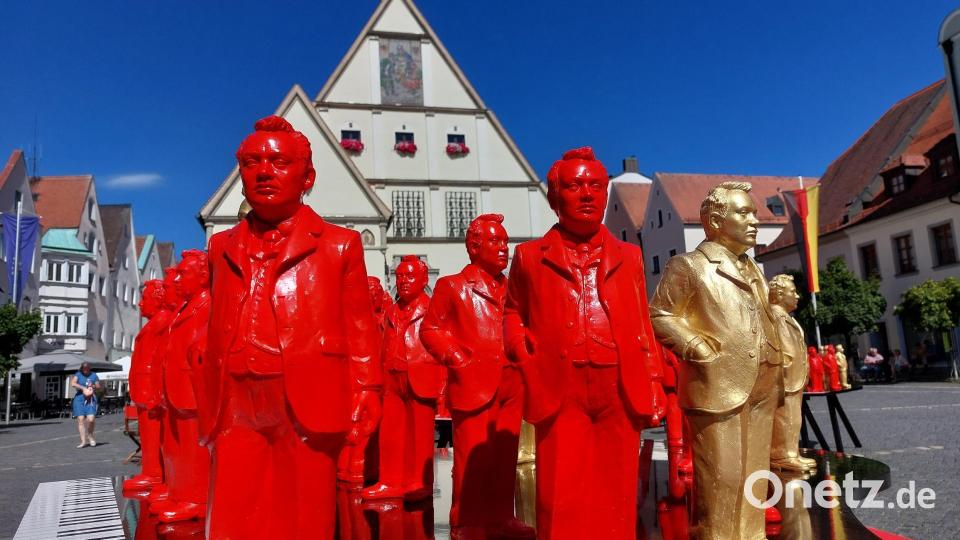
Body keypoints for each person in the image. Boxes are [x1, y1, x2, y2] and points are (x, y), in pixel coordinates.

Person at [204, 115, 382, 539]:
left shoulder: (339, 244)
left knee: (305, 511)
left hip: (306, 392)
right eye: (252, 162)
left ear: (308, 176)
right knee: (234, 509)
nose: (264, 171)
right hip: (234, 399)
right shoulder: (220, 246)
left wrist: (367, 390)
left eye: (280, 161)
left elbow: (361, 326)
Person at [504, 147, 664, 539]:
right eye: (575, 186)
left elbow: (643, 323)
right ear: (555, 196)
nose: (588, 194)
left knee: (619, 484)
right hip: (560, 383)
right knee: (560, 489)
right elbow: (511, 312)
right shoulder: (528, 257)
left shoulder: (629, 255)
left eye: (595, 185)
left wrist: (656, 381)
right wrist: (518, 343)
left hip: (618, 381)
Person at [650, 181, 784, 540]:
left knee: (755, 475)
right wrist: (696, 346)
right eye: (744, 212)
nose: (754, 220)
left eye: (754, 213)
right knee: (721, 478)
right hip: (717, 384)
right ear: (714, 221)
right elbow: (660, 314)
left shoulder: (753, 268)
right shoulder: (690, 265)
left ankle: (752, 535)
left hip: (762, 382)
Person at [421, 213, 534, 540]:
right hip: (472, 383)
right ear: (474, 247)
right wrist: (455, 355)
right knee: (472, 461)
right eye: (496, 242)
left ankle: (502, 516)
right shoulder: (452, 286)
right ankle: (466, 520)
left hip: (511, 382)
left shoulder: (514, 288)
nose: (504, 249)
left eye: (506, 242)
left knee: (504, 456)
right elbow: (430, 329)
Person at [363, 256, 442, 502]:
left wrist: (442, 385)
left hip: (421, 373)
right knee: (391, 432)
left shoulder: (432, 308)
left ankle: (420, 482)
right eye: (399, 277)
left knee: (420, 434)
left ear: (423, 280)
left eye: (409, 277)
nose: (403, 282)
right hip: (393, 377)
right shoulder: (391, 309)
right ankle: (389, 480)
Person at [768, 274, 817, 472]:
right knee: (785, 417)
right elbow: (783, 349)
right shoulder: (776, 317)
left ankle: (791, 451)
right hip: (786, 379)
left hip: (794, 378)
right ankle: (783, 455)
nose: (797, 296)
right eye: (792, 292)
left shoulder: (786, 318)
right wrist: (786, 369)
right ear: (779, 295)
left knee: (793, 417)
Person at [71, 362, 101, 448]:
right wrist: (83, 388)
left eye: (87, 368)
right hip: (79, 399)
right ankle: (83, 442)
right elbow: (73, 383)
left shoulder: (94, 375)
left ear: (89, 368)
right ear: (82, 368)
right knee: (81, 419)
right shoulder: (78, 374)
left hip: (90, 398)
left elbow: (98, 386)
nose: (86, 370)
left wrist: (93, 386)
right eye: (84, 369)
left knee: (91, 419)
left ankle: (90, 436)